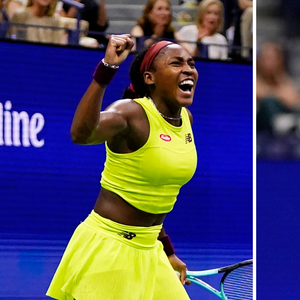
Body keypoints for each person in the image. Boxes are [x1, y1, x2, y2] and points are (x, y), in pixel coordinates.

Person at [46, 34, 197, 299]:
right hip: (110, 249)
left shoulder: (186, 119)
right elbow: (81, 134)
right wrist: (106, 70)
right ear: (149, 78)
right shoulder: (130, 113)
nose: (188, 69)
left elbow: (152, 192)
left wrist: (167, 250)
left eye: (191, 63)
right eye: (176, 63)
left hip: (150, 249)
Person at [256, 41, 300, 135]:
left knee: (297, 111)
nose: (268, 62)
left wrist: (277, 78)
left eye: (272, 58)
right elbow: (258, 92)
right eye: (266, 58)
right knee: (269, 102)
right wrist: (277, 93)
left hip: (280, 126)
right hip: (261, 124)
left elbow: (294, 100)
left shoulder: (281, 77)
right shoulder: (255, 76)